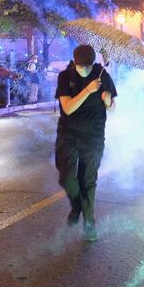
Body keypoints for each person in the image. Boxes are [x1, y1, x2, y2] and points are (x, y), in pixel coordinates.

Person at [54, 45, 117, 241]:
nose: (85, 70)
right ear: (74, 62)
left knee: (87, 181)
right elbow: (68, 108)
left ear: (93, 63)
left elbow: (112, 108)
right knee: (66, 178)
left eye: (88, 67)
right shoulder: (65, 77)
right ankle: (77, 208)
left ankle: (89, 223)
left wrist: (108, 101)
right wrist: (88, 90)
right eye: (81, 67)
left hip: (94, 136)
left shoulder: (102, 75)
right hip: (68, 134)